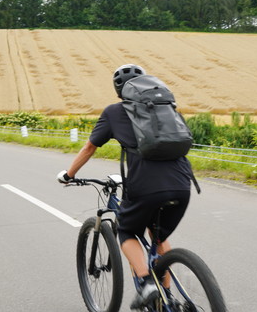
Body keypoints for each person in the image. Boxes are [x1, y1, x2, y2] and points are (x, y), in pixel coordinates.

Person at [57, 64, 193, 310]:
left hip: (146, 185)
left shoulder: (113, 112)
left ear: (119, 90)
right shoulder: (166, 109)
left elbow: (89, 148)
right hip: (183, 182)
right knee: (159, 234)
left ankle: (147, 284)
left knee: (127, 231)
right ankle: (168, 297)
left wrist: (69, 174)